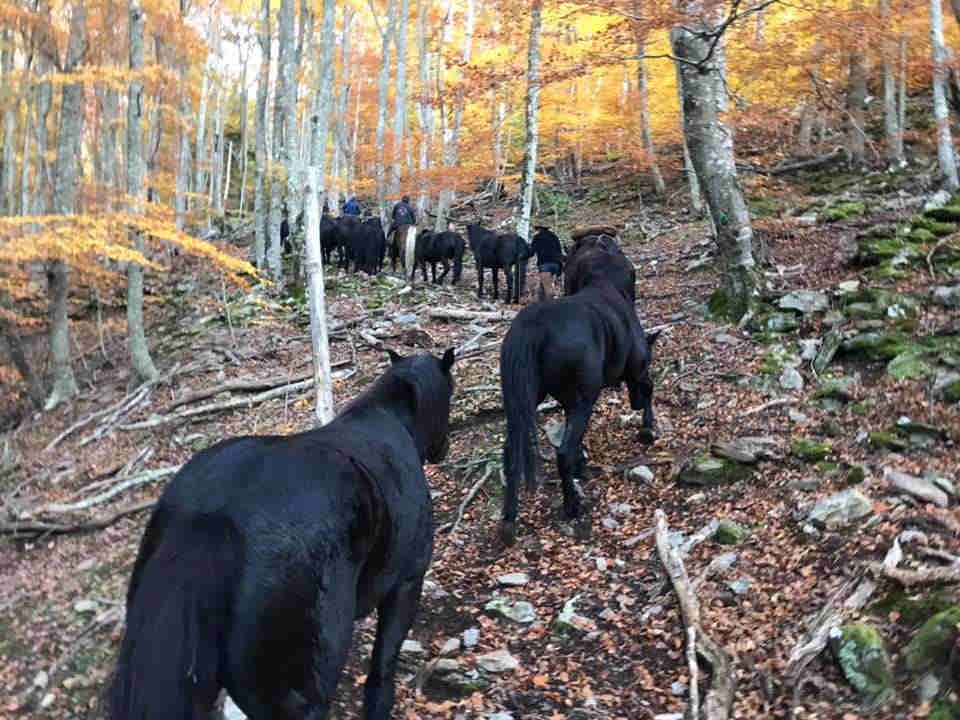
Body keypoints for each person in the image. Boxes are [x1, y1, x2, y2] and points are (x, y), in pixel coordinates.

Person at [530, 226, 564, 300]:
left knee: (548, 290)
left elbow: (531, 252)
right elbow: (559, 251)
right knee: (544, 286)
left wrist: (522, 256)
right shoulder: (554, 236)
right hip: (557, 264)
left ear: (538, 229)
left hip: (545, 264)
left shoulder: (537, 237)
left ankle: (551, 307)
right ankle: (542, 302)